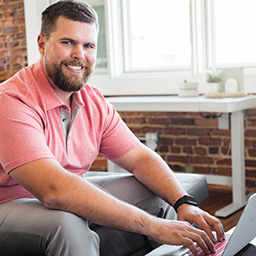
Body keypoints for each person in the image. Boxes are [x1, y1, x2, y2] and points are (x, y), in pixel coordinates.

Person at [0, 0, 224, 255]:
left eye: (88, 46)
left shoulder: (92, 100)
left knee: (155, 190)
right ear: (42, 44)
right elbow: (53, 190)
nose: (79, 55)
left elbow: (139, 157)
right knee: (66, 223)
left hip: (65, 190)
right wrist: (154, 226)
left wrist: (184, 202)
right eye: (67, 42)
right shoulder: (12, 100)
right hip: (10, 203)